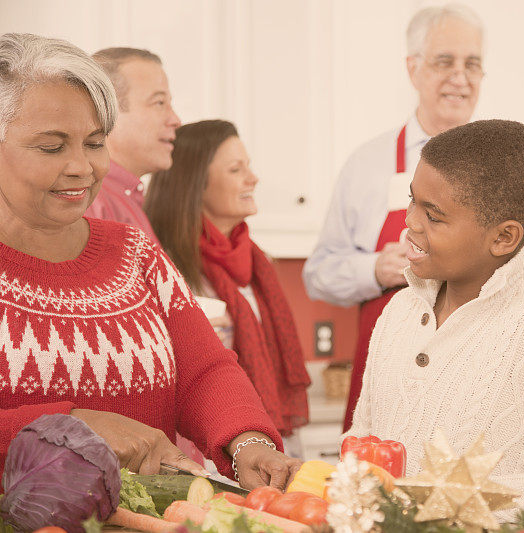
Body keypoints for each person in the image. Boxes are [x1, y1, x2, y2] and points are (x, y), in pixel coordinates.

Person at [0, 33, 300, 489]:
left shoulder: (135, 254)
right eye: (52, 146)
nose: (82, 166)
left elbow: (204, 372)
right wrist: (73, 425)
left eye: (95, 143)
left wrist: (247, 442)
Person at [346, 119, 524, 524]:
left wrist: (458, 501)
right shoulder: (399, 310)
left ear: (503, 238)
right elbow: (363, 440)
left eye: (433, 215)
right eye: (413, 200)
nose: (411, 222)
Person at [303, 4, 524, 431]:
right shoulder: (366, 165)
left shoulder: (516, 171)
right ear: (413, 69)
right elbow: (318, 273)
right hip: (385, 382)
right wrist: (375, 268)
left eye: (472, 64)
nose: (460, 77)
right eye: (444, 61)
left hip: (485, 383)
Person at [144, 120, 310, 450]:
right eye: (236, 169)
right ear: (195, 184)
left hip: (264, 434)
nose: (253, 178)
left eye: (248, 166)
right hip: (199, 445)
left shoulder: (258, 263)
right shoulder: (163, 270)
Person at [83, 47, 181, 242]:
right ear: (106, 109)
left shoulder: (124, 198)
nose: (176, 120)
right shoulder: (88, 201)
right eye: (159, 103)